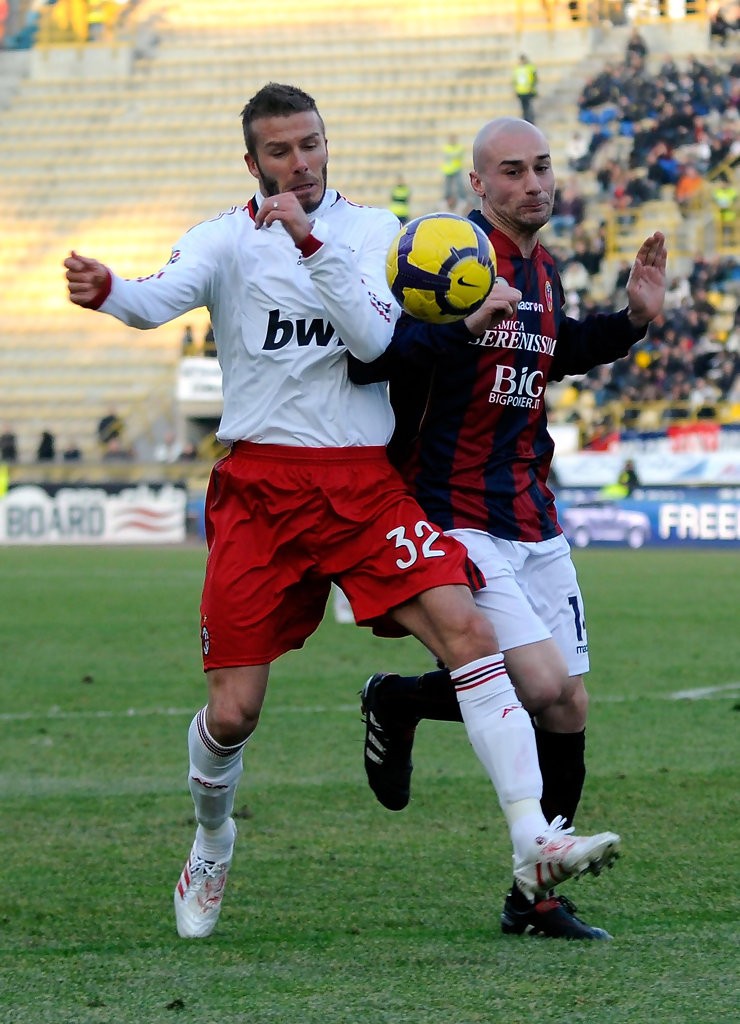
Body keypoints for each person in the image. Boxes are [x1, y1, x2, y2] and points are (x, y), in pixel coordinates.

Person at [64, 84, 620, 942]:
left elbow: (378, 343)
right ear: (252, 164)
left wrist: (457, 312)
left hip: (364, 485)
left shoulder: (375, 237)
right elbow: (151, 299)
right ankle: (212, 839)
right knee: (235, 712)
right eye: (281, 152)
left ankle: (530, 834)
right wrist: (108, 292)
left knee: (467, 633)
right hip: (262, 488)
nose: (301, 163)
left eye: (312, 145)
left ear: (328, 145)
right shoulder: (223, 240)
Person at [348, 116, 666, 940]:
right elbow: (376, 358)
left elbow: (550, 352)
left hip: (534, 512)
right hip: (456, 515)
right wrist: (463, 325)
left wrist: (630, 322)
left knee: (568, 707)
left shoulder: (544, 268)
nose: (536, 184)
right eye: (514, 172)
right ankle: (402, 701)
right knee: (536, 685)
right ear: (478, 187)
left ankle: (535, 900)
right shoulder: (445, 259)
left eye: (543, 168)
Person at [440, 133, 467, 211]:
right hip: (448, 170)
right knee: (447, 188)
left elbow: (457, 155)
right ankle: (446, 199)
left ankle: (462, 199)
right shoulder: (447, 147)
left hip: (456, 169)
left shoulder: (458, 147)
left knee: (459, 185)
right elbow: (454, 155)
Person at [512, 54, 537, 124]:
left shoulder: (530, 68)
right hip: (520, 91)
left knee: (529, 107)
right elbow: (514, 80)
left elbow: (534, 79)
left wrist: (532, 88)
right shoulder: (517, 69)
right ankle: (526, 120)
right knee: (524, 108)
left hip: (528, 91)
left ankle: (530, 121)